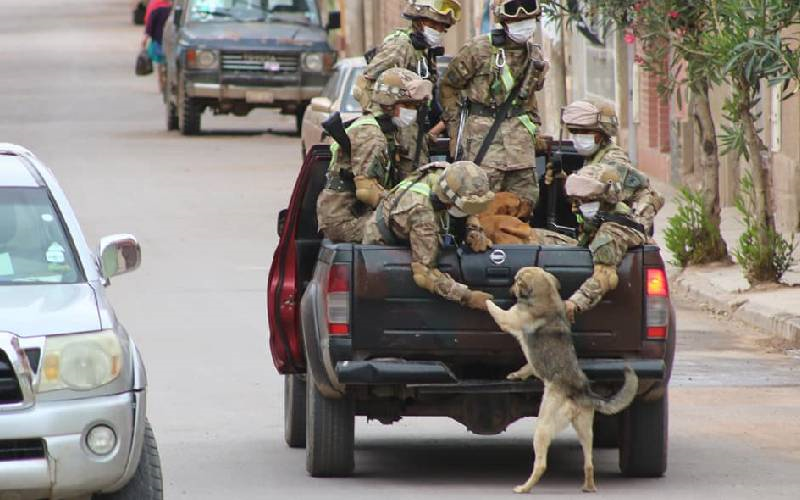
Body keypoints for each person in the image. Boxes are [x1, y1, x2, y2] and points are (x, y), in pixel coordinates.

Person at [440, 0, 547, 219]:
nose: (524, 24)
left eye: (528, 20)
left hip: (520, 148)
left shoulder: (535, 56)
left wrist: (535, 131)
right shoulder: (478, 50)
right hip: (483, 143)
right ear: (504, 21)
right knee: (478, 203)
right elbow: (448, 86)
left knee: (525, 203)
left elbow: (528, 100)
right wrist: (454, 130)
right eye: (517, 20)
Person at [560, 99, 665, 321]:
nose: (579, 137)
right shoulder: (591, 159)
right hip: (588, 233)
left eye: (586, 131)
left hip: (613, 229)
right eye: (574, 131)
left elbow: (616, 176)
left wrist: (572, 305)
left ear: (602, 133)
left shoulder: (613, 160)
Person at [317, 68, 433, 243]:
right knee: (418, 228)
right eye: (407, 105)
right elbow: (366, 192)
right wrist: (406, 205)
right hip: (344, 221)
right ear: (389, 103)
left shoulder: (391, 133)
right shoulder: (372, 135)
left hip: (360, 214)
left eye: (415, 106)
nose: (413, 111)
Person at [362, 160, 495, 311]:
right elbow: (424, 275)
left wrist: (473, 229)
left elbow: (468, 200)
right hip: (382, 251)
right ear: (449, 203)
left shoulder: (447, 173)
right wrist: (467, 297)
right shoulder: (423, 216)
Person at [353, 0, 463, 178]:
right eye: (433, 25)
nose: (438, 30)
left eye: (442, 27)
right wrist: (386, 125)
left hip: (415, 133)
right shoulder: (400, 46)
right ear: (418, 21)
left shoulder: (425, 52)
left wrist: (432, 132)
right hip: (397, 135)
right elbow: (363, 85)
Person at [142, 0, 172, 93]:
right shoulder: (171, 10)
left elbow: (149, 25)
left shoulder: (155, 8)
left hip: (158, 40)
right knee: (168, 63)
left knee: (160, 64)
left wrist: (145, 39)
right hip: (170, 41)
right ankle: (168, 82)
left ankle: (161, 84)